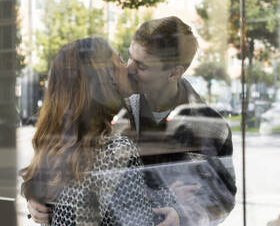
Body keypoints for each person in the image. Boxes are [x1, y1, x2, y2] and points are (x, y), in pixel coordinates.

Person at [28, 16, 236, 225]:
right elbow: (63, 148)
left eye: (141, 66)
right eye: (129, 57)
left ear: (174, 73)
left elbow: (222, 198)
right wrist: (35, 194)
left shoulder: (212, 127)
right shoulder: (112, 104)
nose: (128, 69)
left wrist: (183, 216)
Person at [21, 37, 180, 225]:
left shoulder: (65, 146)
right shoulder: (114, 149)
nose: (127, 67)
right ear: (107, 78)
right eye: (120, 59)